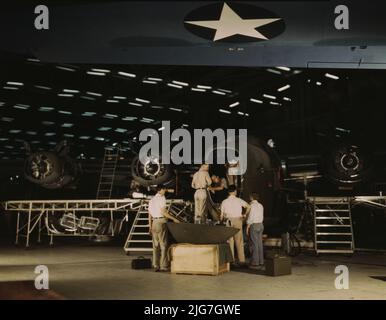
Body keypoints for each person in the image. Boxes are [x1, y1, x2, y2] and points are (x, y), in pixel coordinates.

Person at [148, 187, 180, 272]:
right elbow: (163, 212)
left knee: (155, 245)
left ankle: (156, 265)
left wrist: (150, 226)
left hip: (154, 222)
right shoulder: (162, 198)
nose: (165, 191)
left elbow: (150, 215)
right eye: (163, 189)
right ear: (159, 190)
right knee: (164, 245)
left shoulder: (152, 200)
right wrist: (173, 219)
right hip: (161, 222)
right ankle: (163, 266)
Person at [220, 185, 250, 265]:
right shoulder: (239, 200)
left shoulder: (224, 201)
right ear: (234, 191)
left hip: (228, 220)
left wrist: (222, 221)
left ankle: (231, 260)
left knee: (230, 241)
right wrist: (244, 215)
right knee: (239, 240)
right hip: (238, 220)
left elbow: (221, 216)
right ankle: (241, 260)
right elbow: (248, 206)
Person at [246, 193, 265, 269]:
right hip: (261, 225)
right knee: (259, 243)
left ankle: (255, 262)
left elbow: (251, 217)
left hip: (254, 225)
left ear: (251, 198)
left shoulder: (251, 206)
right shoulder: (261, 205)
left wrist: (248, 226)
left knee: (254, 244)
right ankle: (261, 261)